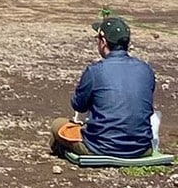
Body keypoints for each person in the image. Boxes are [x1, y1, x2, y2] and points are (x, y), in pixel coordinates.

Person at [51, 16, 157, 158]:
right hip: (141, 148)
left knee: (58, 125)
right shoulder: (145, 69)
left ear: (103, 42)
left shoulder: (95, 71)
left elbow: (78, 105)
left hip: (100, 147)